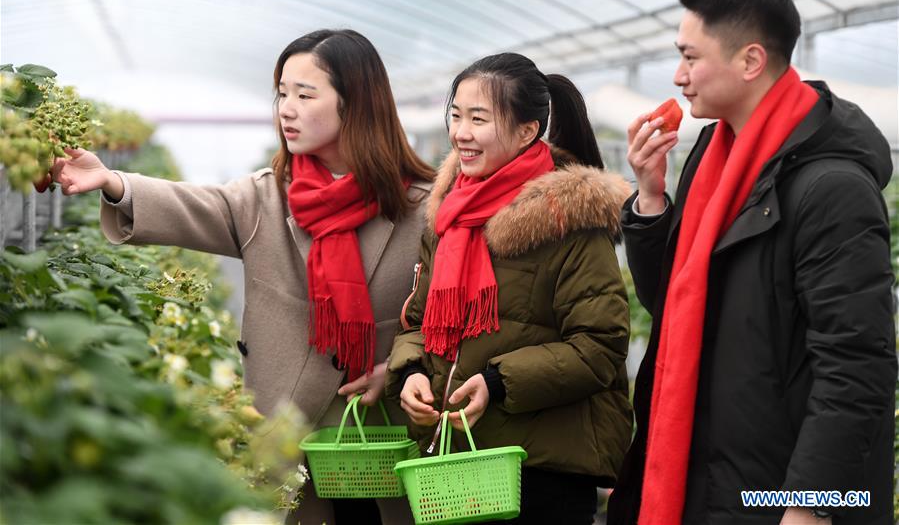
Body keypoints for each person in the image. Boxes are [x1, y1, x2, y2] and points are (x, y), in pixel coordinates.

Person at [51, 29, 436, 525]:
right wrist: (113, 181)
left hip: (384, 441)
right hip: (286, 441)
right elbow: (196, 204)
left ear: (356, 104)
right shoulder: (268, 197)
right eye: (281, 93)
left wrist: (402, 367)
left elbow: (449, 317)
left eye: (305, 94)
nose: (286, 109)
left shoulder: (422, 208)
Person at [606, 0, 896, 525]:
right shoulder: (713, 160)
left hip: (775, 496)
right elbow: (670, 302)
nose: (677, 75)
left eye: (690, 57)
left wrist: (810, 506)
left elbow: (856, 366)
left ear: (750, 61)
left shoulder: (832, 188)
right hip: (709, 478)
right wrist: (649, 199)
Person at [384, 52, 634, 524]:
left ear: (526, 131)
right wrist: (413, 370)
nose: (461, 133)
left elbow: (601, 346)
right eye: (456, 116)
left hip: (541, 470)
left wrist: (498, 383)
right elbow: (419, 320)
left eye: (479, 119)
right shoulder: (449, 216)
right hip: (459, 462)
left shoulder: (569, 220)